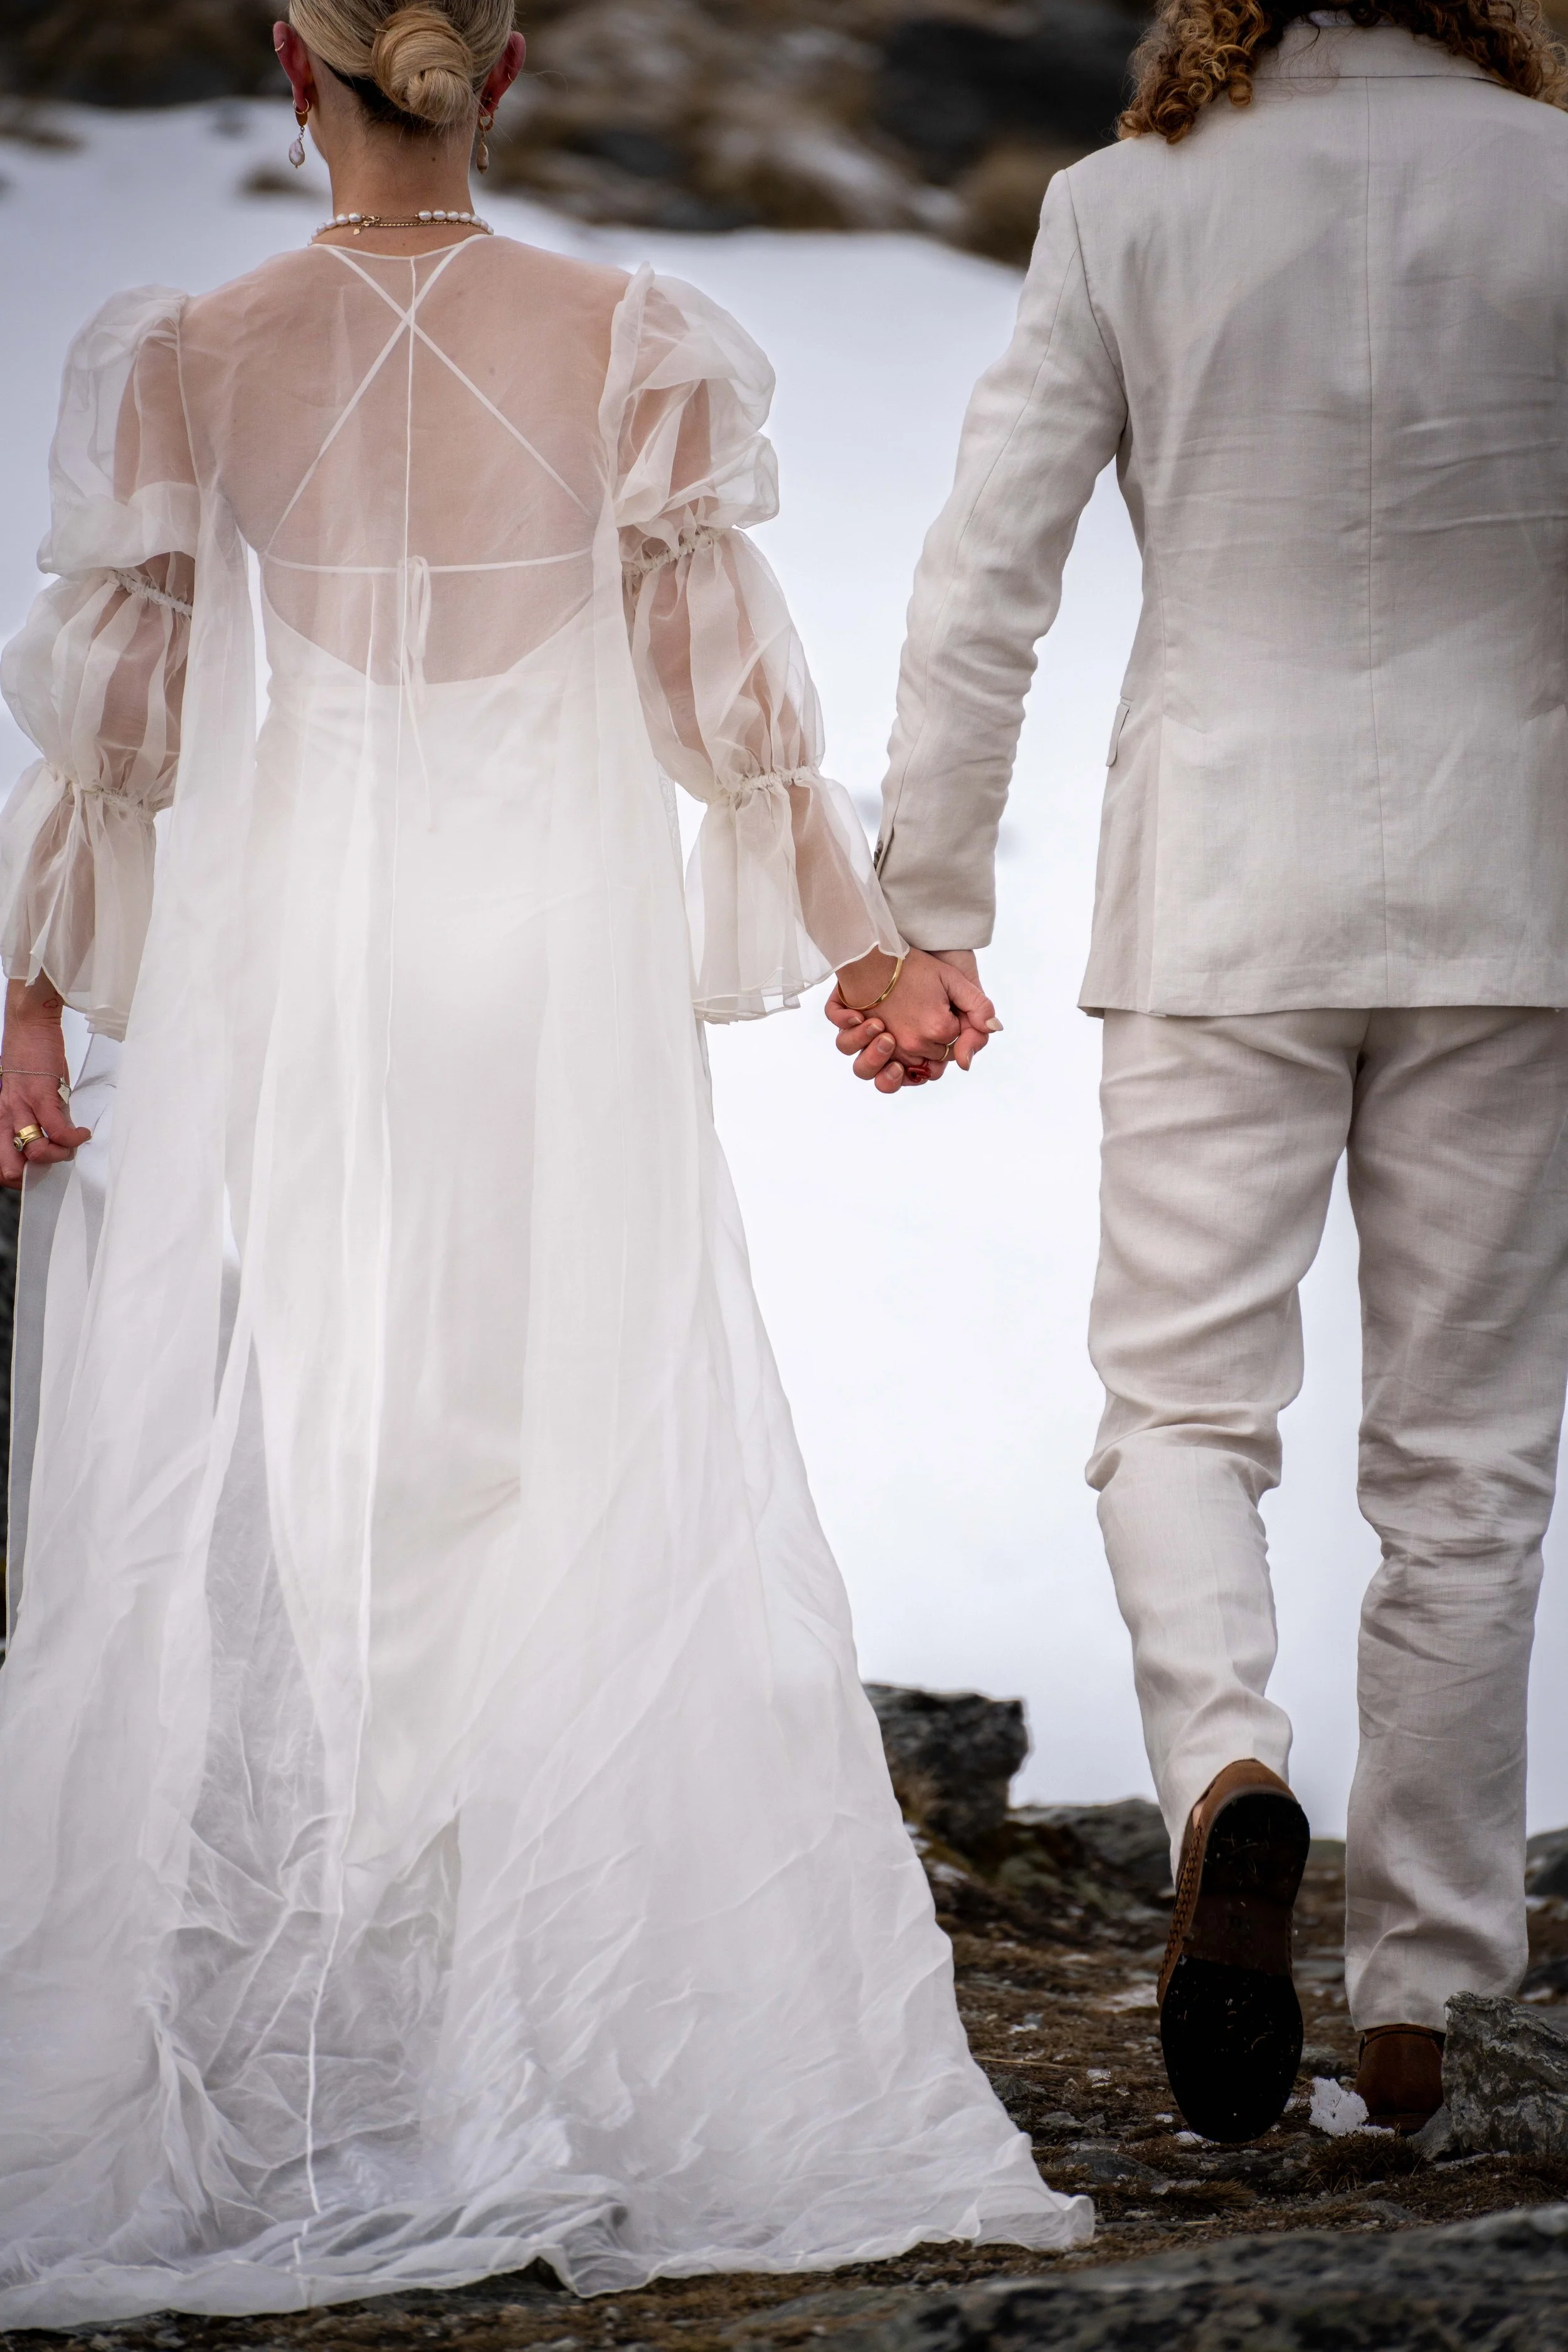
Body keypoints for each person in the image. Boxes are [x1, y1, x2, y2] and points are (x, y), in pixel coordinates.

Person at [0, 0, 1088, 2321]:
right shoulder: (632, 339)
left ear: (296, 75)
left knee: (332, 1472)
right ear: (497, 78)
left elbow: (127, 725)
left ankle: (373, 2047)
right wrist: (877, 950)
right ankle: (549, 2045)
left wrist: (25, 985)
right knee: (571, 1458)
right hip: (546, 961)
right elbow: (727, 712)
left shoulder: (192, 348)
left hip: (302, 979)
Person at [829, 0, 1568, 2145]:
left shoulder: (1118, 206)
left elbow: (988, 578)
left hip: (1218, 891)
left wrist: (929, 899)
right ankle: (1420, 1999)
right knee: (1464, 1463)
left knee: (1175, 1403)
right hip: (1510, 897)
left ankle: (1225, 1779)